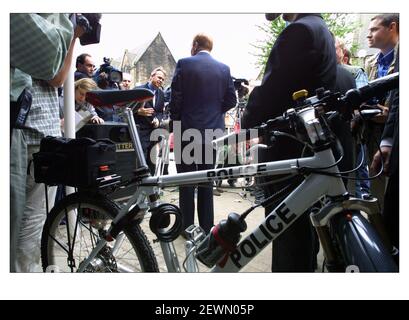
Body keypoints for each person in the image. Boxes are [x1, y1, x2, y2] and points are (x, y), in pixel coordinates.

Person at [242, 14, 337, 272]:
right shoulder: (321, 29)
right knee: (301, 230)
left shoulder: (300, 30)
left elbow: (273, 90)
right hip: (304, 147)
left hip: (288, 148)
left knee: (287, 234)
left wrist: (248, 120)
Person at [10, 13, 75, 272]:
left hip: (30, 128)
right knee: (31, 222)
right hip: (34, 130)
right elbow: (57, 76)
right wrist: (73, 35)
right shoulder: (33, 23)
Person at [169, 33, 236, 234]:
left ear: (195, 45)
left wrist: (176, 122)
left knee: (186, 181)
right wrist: (215, 113)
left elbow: (176, 98)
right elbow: (231, 100)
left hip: (186, 129)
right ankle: (207, 227)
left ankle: (187, 227)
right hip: (211, 132)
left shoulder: (184, 64)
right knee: (207, 181)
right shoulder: (224, 69)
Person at [364, 14, 399, 210]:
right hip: (371, 131)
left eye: (374, 30)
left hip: (395, 131)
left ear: (392, 27)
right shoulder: (370, 63)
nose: (369, 35)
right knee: (374, 183)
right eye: (368, 31)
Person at [134, 67, 167, 174]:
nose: (160, 80)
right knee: (140, 160)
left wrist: (158, 118)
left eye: (162, 79)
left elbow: (160, 111)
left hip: (154, 132)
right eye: (159, 77)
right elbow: (126, 109)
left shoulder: (161, 93)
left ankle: (151, 183)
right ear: (151, 76)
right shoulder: (138, 90)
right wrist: (138, 111)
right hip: (140, 131)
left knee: (152, 160)